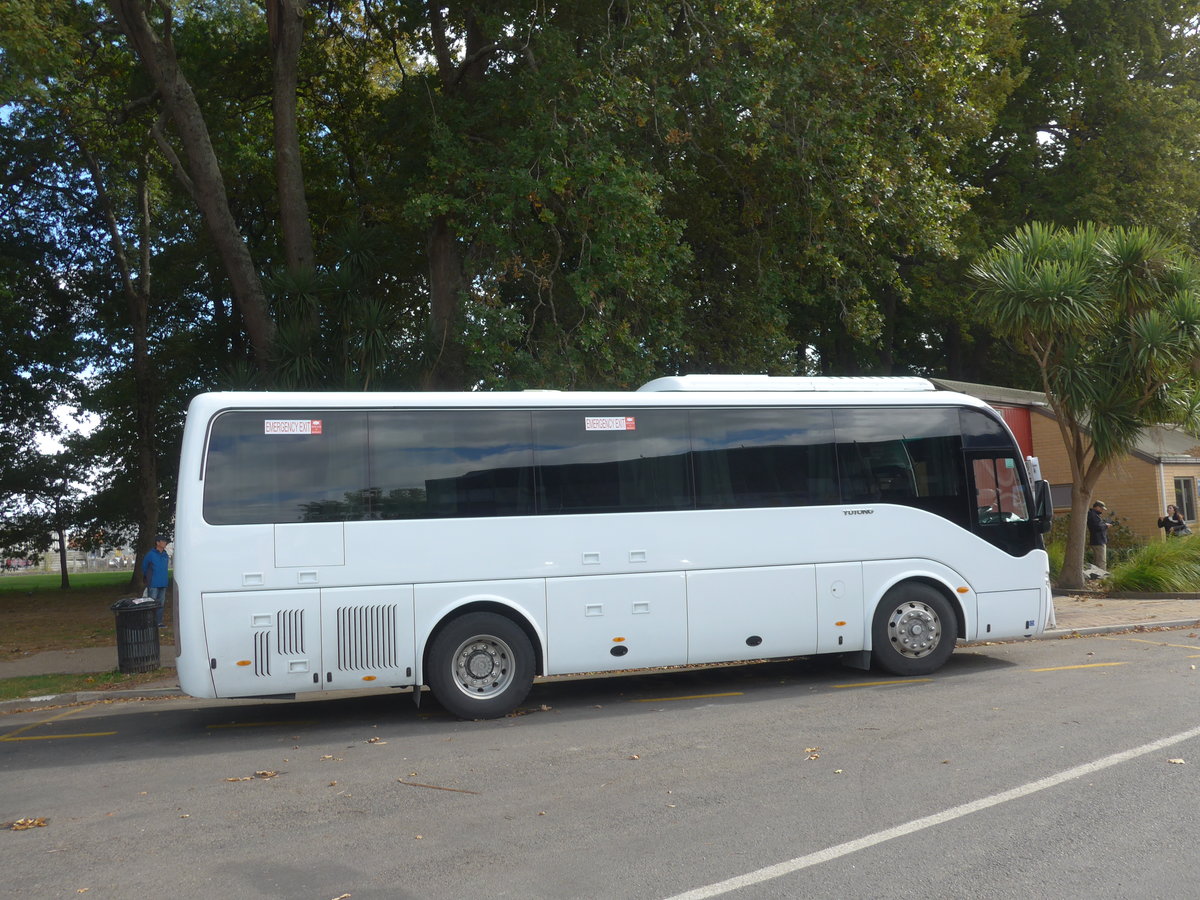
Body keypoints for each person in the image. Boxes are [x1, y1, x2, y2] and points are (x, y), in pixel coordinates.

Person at [141, 535, 171, 628]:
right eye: (163, 541)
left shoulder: (165, 555)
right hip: (153, 583)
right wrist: (148, 578)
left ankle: (159, 622)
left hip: (163, 582)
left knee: (161, 604)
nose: (165, 543)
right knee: (152, 604)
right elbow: (144, 567)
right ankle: (150, 623)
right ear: (158, 542)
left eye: (165, 541)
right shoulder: (151, 554)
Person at [1087, 501, 1110, 570]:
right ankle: (1101, 578)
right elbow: (1097, 527)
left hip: (1096, 541)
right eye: (1101, 509)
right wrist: (1106, 526)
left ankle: (1096, 577)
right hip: (1098, 541)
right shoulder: (1093, 515)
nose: (1102, 510)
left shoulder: (1092, 514)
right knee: (1101, 561)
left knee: (1097, 561)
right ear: (1097, 507)